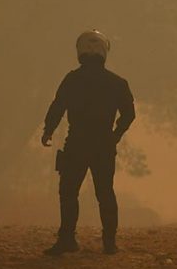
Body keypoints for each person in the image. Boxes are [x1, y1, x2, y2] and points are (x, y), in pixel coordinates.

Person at [40, 30, 135, 256]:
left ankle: (67, 240)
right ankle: (109, 243)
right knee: (105, 193)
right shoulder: (117, 82)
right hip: (103, 144)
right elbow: (129, 114)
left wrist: (48, 131)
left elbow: (57, 107)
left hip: (76, 144)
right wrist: (116, 135)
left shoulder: (72, 79)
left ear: (80, 52)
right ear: (104, 52)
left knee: (68, 192)